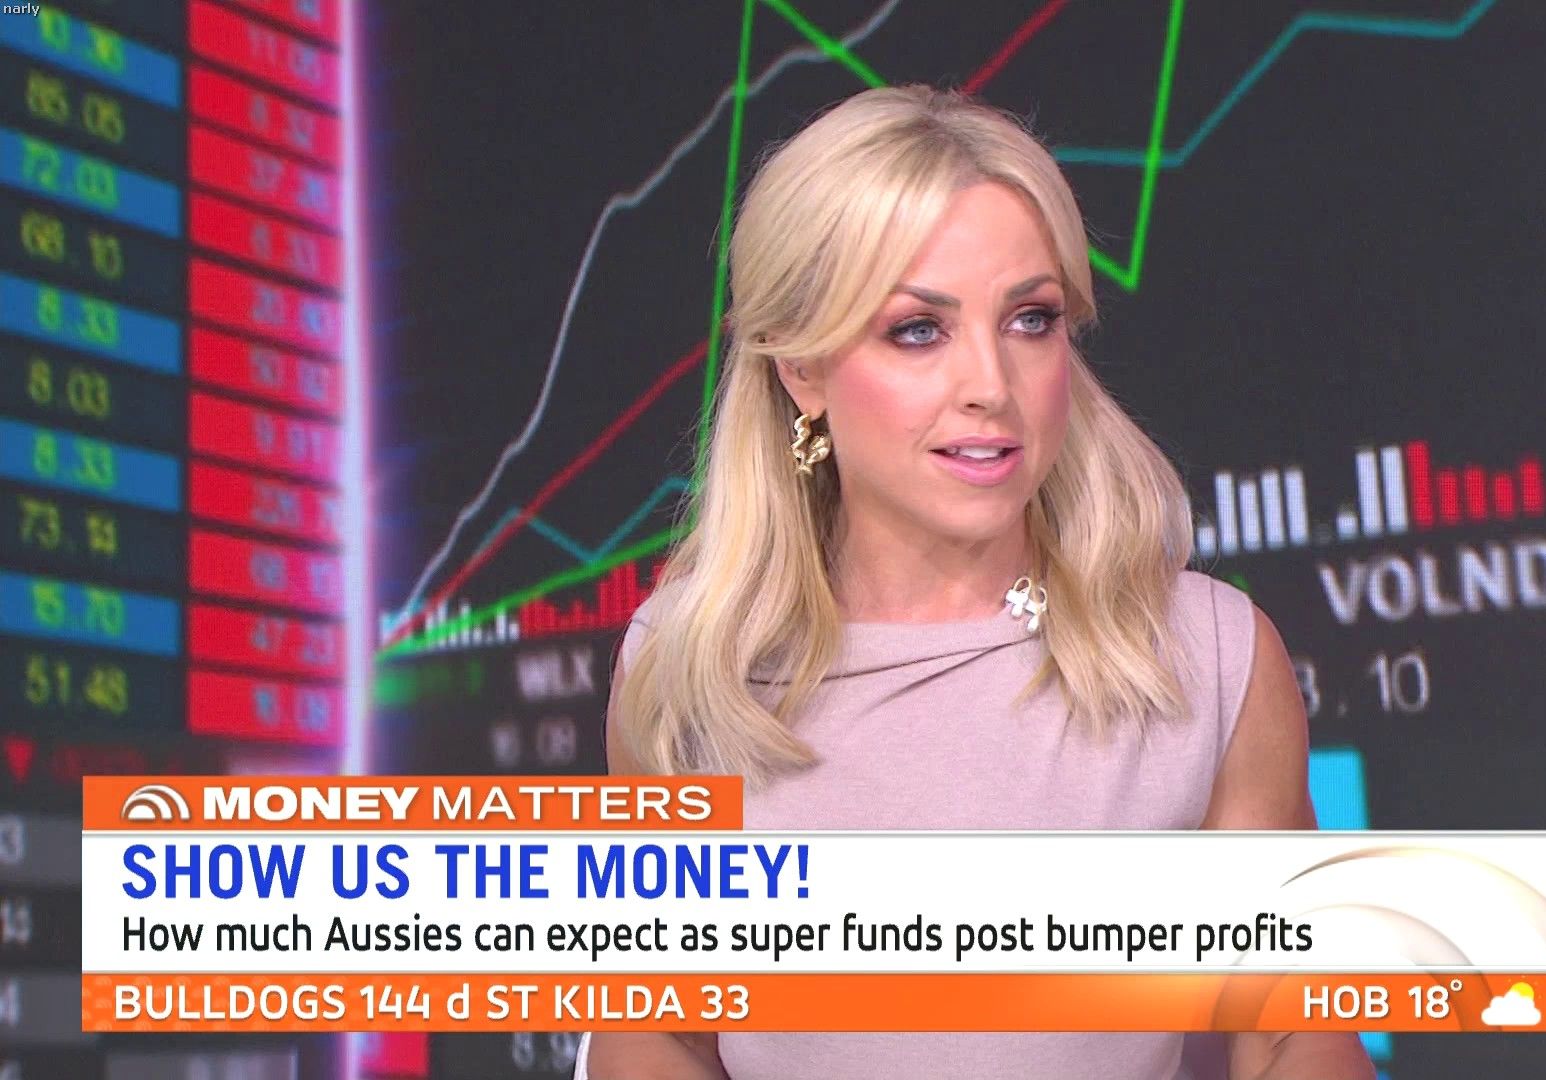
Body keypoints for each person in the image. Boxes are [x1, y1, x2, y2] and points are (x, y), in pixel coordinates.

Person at [581, 84, 1373, 1080]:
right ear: (802, 369)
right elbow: (658, 1029)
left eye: (1031, 319)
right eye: (919, 330)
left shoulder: (1209, 659)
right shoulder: (686, 670)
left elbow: (1295, 1030)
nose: (992, 387)